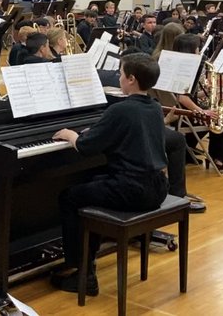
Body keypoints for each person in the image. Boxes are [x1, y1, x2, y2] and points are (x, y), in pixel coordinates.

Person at [49, 53, 170, 295]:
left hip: (132, 190)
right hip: (157, 186)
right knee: (93, 183)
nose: (119, 78)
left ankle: (82, 272)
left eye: (121, 74)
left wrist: (72, 135)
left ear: (132, 79)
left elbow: (85, 146)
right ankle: (87, 261)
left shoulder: (121, 110)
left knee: (69, 197)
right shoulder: (154, 107)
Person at [170, 33, 223, 174]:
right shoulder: (187, 69)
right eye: (197, 48)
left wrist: (204, 92)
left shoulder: (174, 63)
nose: (199, 51)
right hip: (185, 115)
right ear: (190, 50)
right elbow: (182, 98)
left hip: (177, 111)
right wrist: (203, 111)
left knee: (222, 113)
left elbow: (184, 95)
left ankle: (195, 151)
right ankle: (221, 159)